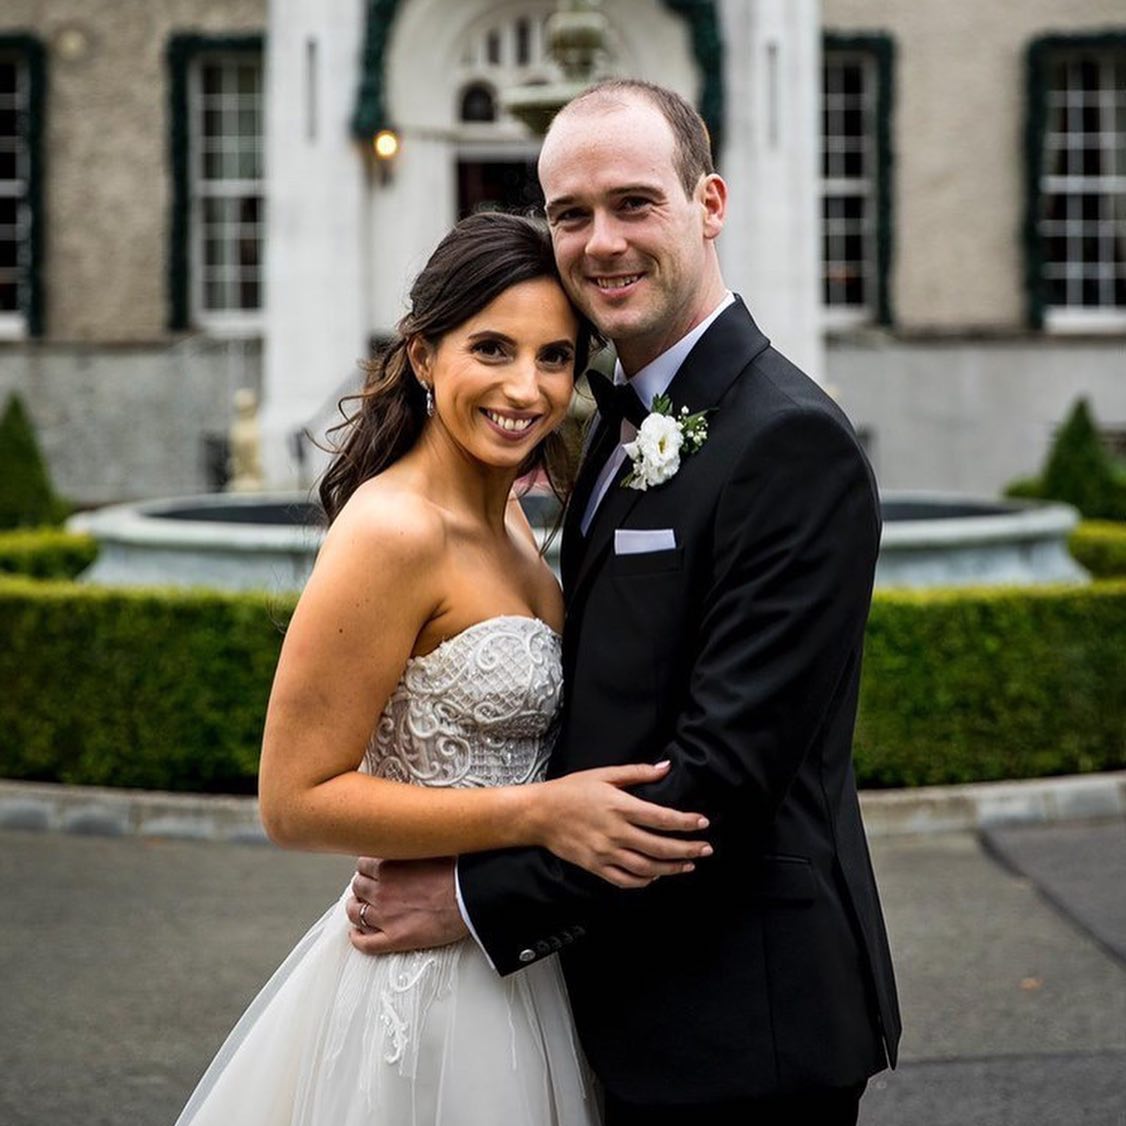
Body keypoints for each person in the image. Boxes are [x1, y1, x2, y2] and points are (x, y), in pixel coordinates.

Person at [347, 79, 902, 1126]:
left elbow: (717, 783)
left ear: (709, 203)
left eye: (634, 203)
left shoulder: (788, 439)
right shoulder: (614, 414)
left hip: (743, 1021)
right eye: (570, 213)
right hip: (614, 1002)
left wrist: (469, 901)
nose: (600, 241)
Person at [173, 211, 714, 1126]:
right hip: (425, 985)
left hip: (524, 956)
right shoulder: (392, 532)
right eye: (492, 349)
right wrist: (538, 813)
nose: (525, 388)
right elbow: (294, 800)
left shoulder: (513, 518)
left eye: (552, 357)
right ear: (423, 356)